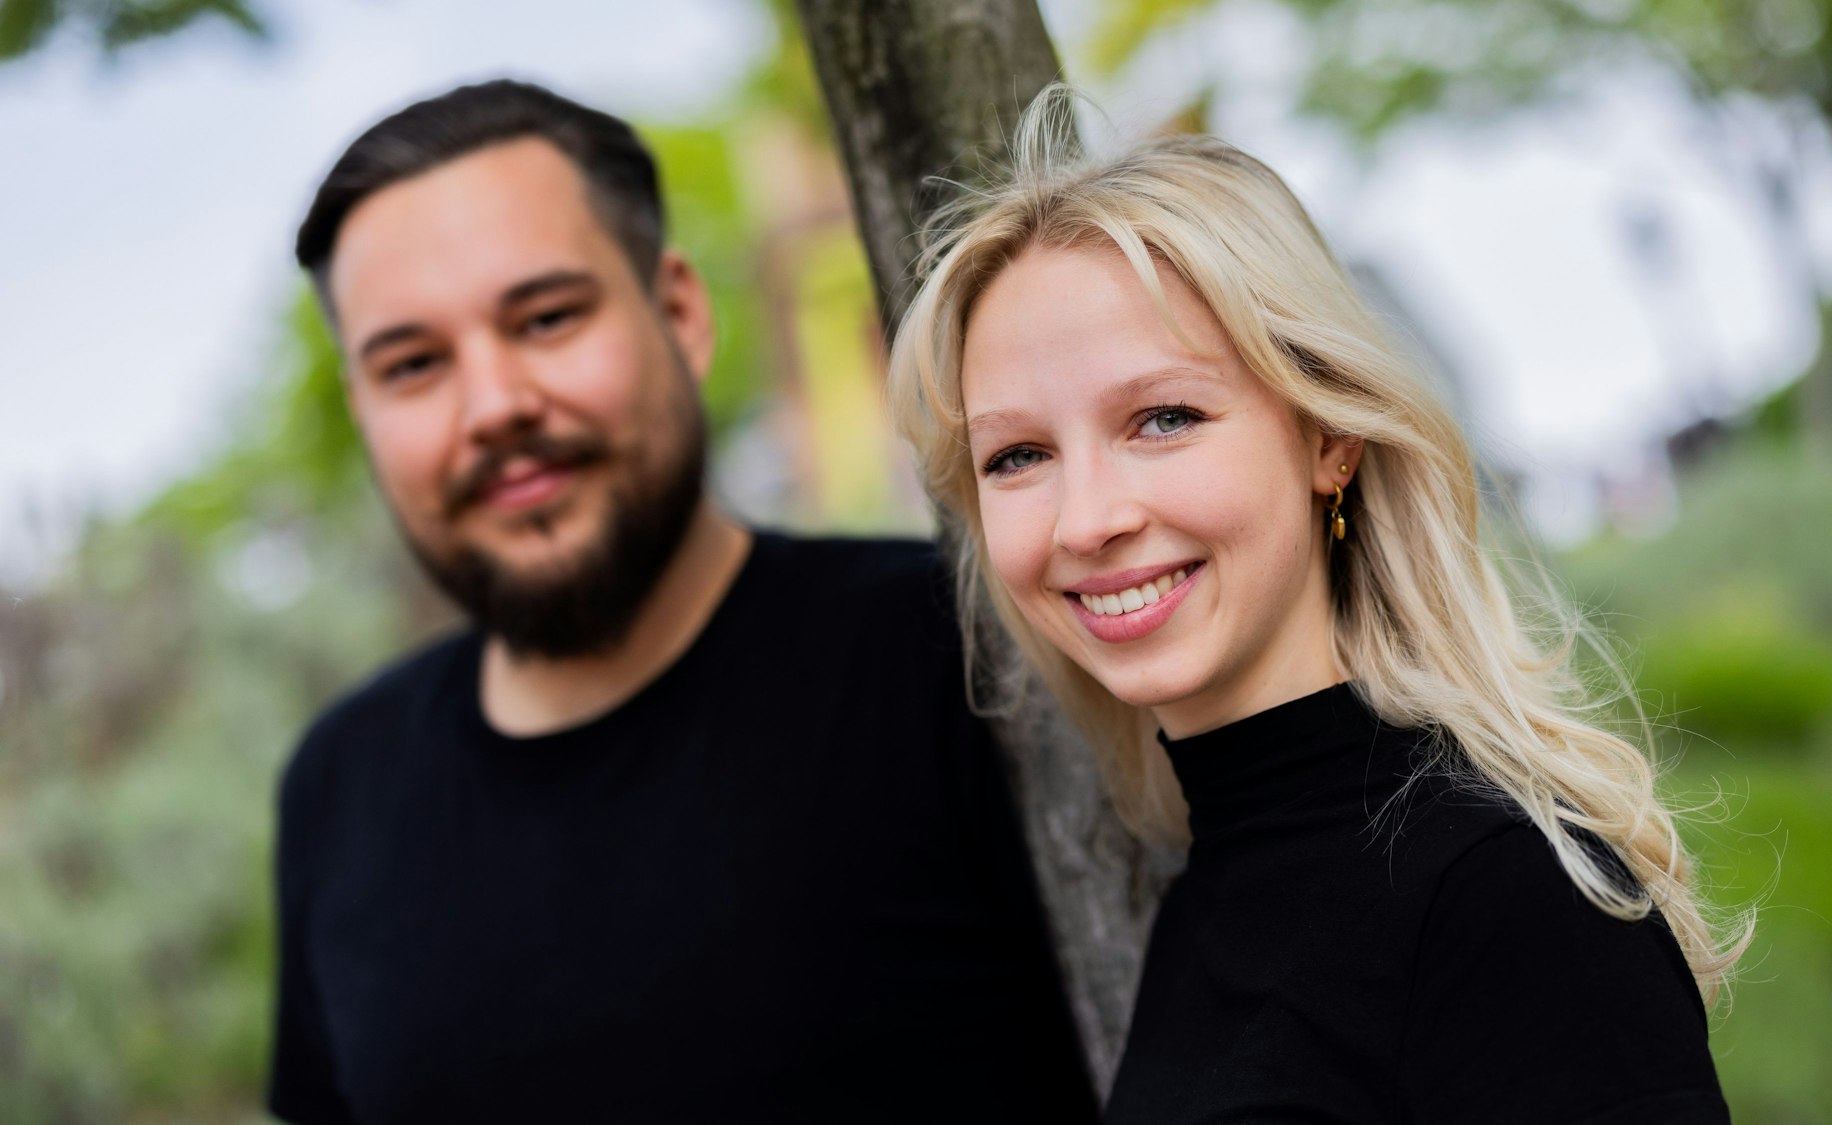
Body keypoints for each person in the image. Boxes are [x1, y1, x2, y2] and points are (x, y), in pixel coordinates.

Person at [888, 86, 1748, 1123]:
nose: (1084, 521)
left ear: (1326, 438)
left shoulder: (1501, 896)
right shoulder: (1205, 895)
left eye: (1162, 418)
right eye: (1017, 454)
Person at [268, 79, 1097, 1124]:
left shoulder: (966, 656)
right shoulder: (339, 787)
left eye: (547, 317)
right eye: (413, 364)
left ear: (680, 312)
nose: (492, 406)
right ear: (364, 409)